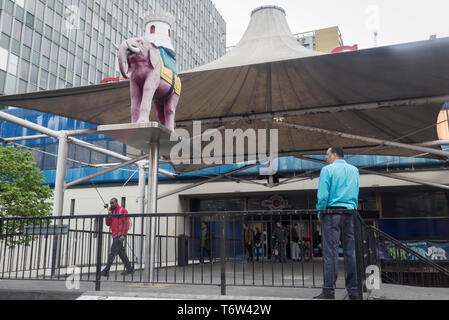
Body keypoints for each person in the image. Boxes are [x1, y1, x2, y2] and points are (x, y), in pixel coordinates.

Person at [314, 146, 360, 300]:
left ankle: (328, 291)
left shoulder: (327, 170)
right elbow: (355, 192)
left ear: (334, 154)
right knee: (350, 252)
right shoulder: (354, 170)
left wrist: (320, 211)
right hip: (350, 213)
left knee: (330, 253)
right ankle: (353, 290)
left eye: (327, 154)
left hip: (332, 213)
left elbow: (322, 196)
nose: (325, 158)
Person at [101, 198, 134, 276]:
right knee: (121, 253)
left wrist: (123, 234)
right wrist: (108, 215)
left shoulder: (122, 210)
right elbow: (108, 223)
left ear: (116, 203)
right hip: (115, 234)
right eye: (110, 203)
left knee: (112, 253)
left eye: (112, 203)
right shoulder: (112, 211)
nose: (111, 204)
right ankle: (129, 269)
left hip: (119, 235)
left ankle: (106, 270)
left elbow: (126, 223)